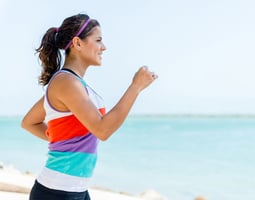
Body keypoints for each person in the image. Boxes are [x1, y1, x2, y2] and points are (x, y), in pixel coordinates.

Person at [21, 13, 157, 200]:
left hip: (76, 189)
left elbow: (30, 122)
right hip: (57, 192)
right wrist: (136, 87)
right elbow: (103, 130)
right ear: (77, 43)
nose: (104, 47)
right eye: (98, 40)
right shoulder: (66, 83)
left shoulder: (72, 84)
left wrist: (62, 139)